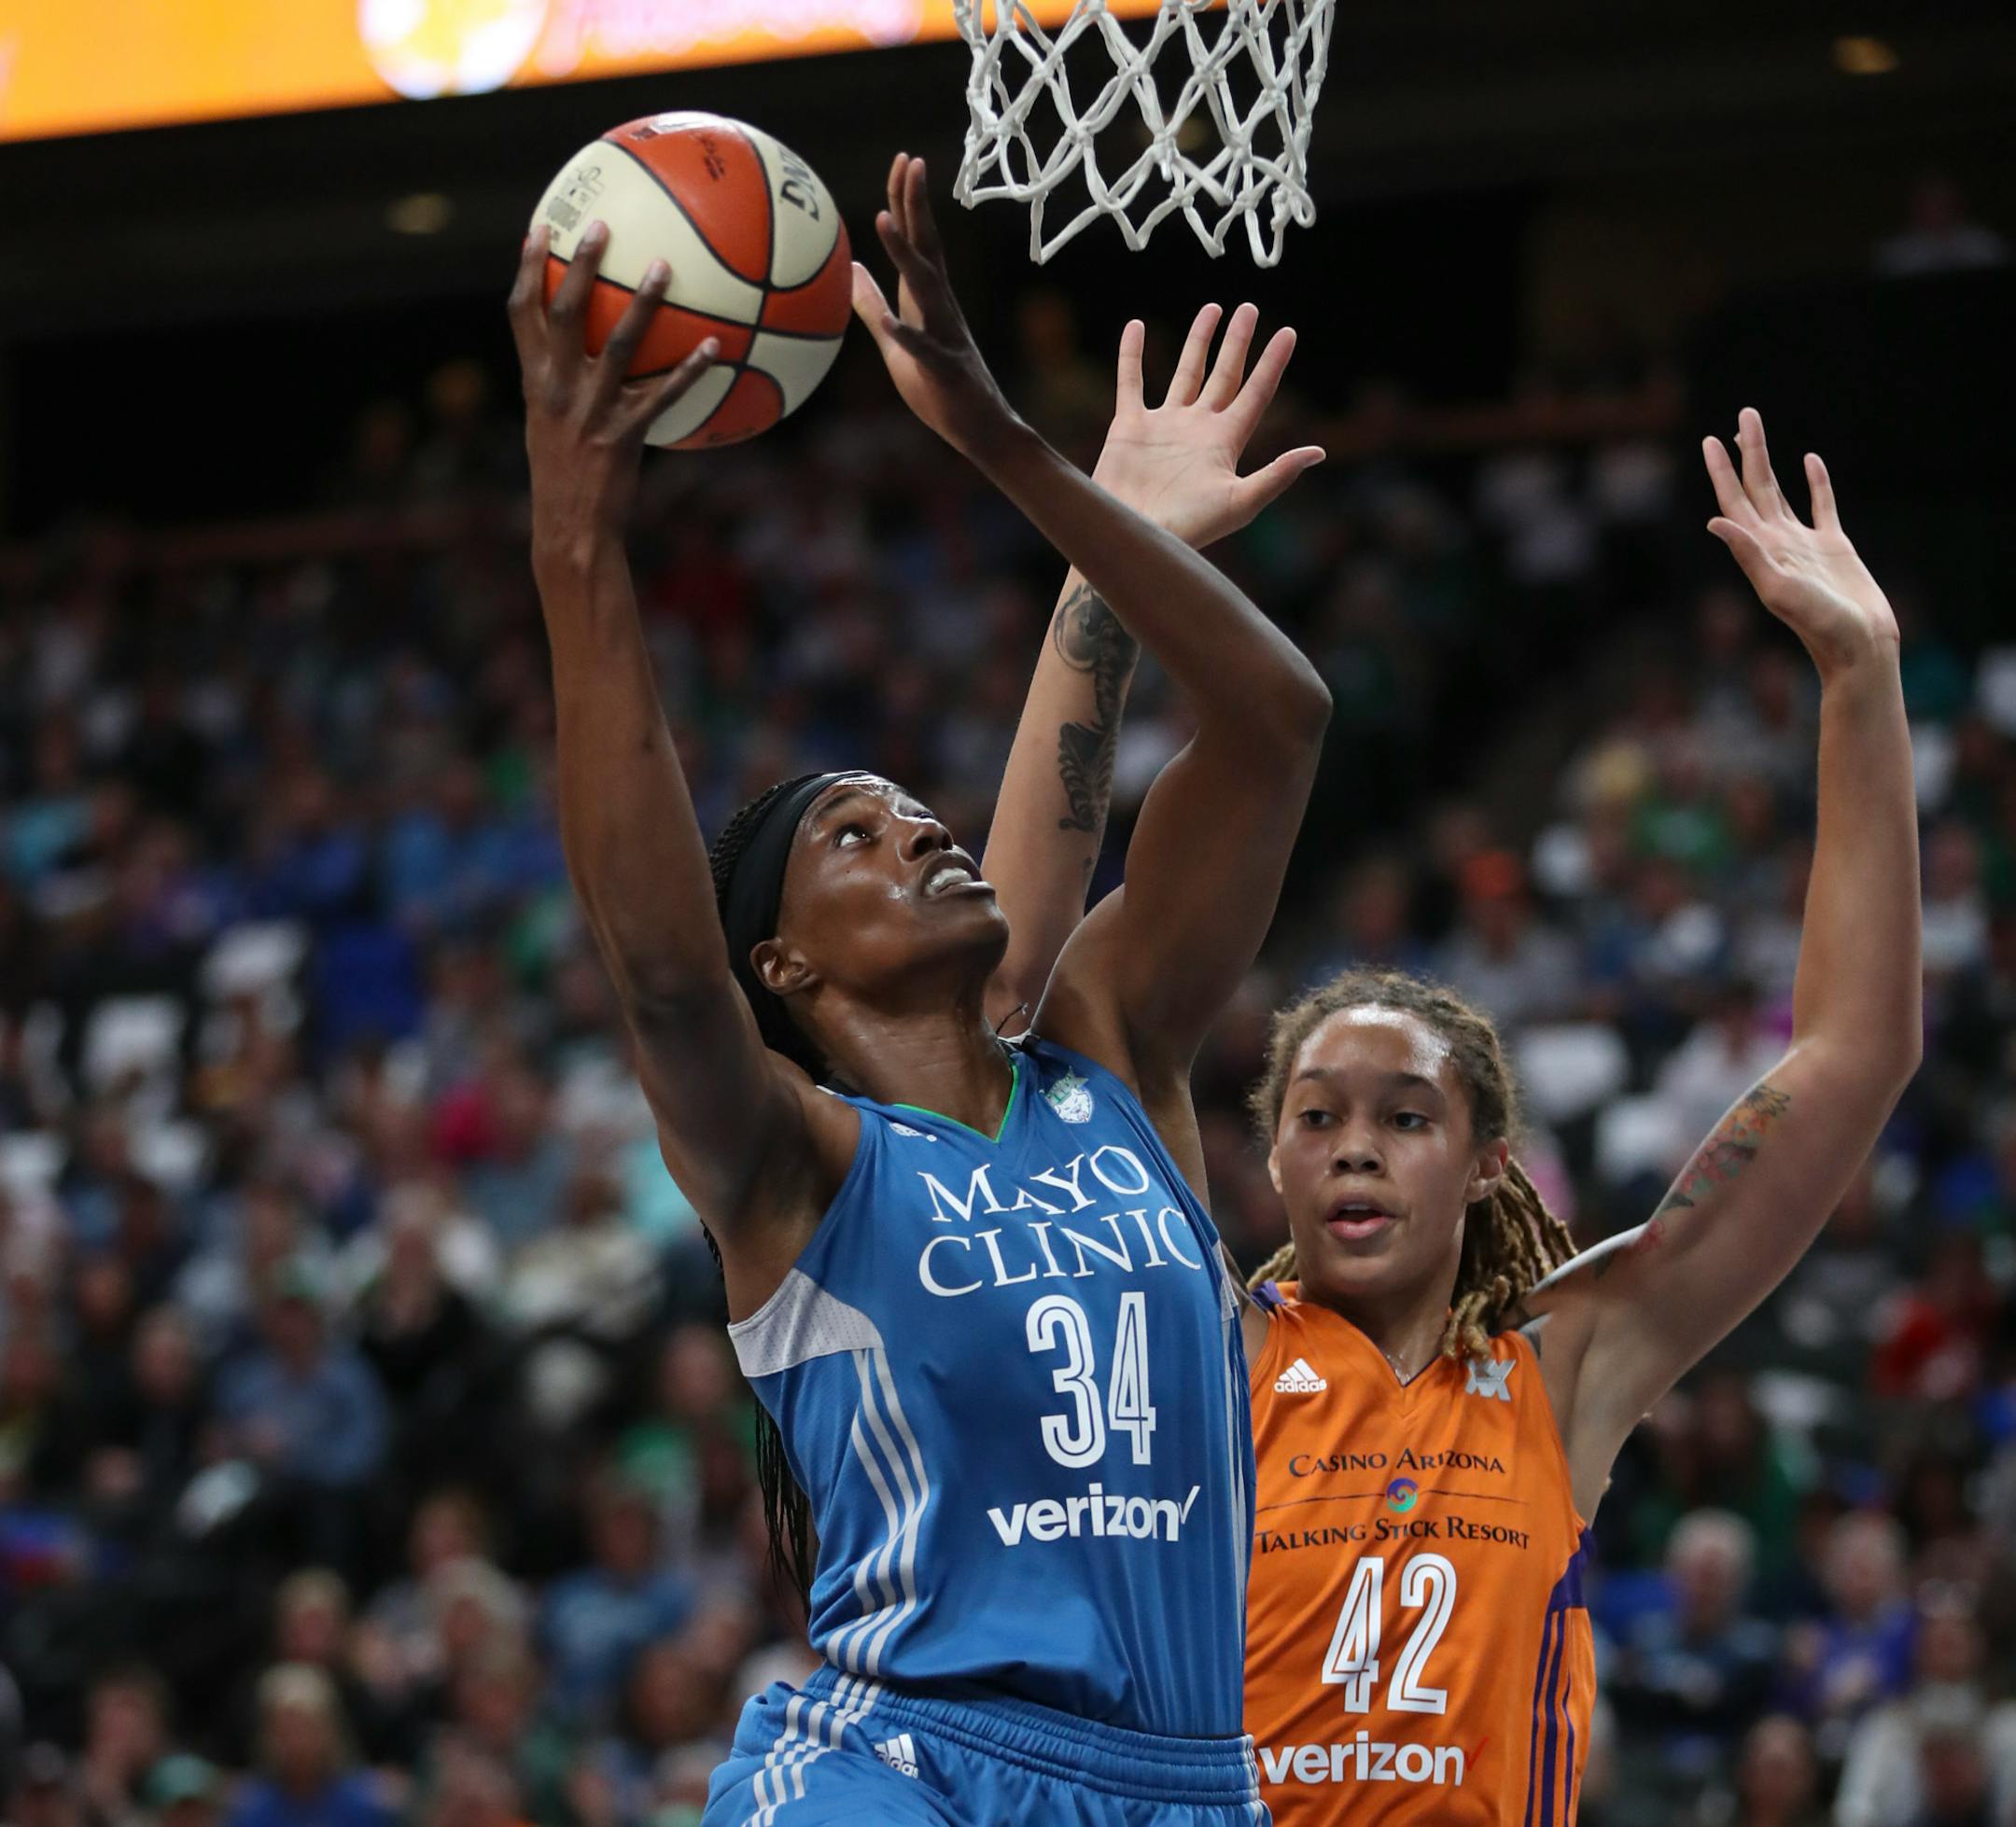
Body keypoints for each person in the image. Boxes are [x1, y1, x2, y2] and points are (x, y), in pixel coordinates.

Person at [509, 149, 1329, 1825]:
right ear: (787, 965)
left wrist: (1027, 463)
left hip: (1192, 1783)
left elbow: (1276, 720)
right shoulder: (797, 1165)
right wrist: (579, 543)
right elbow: (663, 966)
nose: (925, 829)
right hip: (904, 1770)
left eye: (919, 811)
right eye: (859, 839)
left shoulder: (1107, 1055)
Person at [1239, 410, 1921, 1821]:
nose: (1356, 1141)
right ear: (1275, 1154)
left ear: (1490, 1161)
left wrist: (1861, 680)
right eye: (1319, 1114)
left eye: (1405, 1117)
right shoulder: (1199, 1355)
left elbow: (1854, 1054)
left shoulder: (1563, 1368)